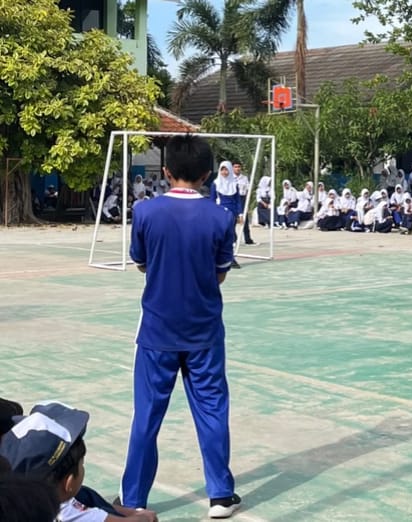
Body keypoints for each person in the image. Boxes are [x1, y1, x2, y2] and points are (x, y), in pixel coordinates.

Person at [124, 134, 241, 518]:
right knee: (212, 409)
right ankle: (220, 494)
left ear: (165, 172)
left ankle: (133, 500)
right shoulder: (221, 218)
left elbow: (142, 264)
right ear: (208, 174)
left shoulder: (145, 213)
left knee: (147, 415)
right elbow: (220, 275)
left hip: (157, 330)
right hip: (204, 331)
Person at [1, 402, 158, 522]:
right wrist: (144, 517)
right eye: (81, 464)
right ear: (68, 483)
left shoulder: (20, 499)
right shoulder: (62, 512)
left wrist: (132, 512)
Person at [233, 162, 256, 246]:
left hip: (242, 198)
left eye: (239, 167)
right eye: (235, 167)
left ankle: (248, 239)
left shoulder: (244, 178)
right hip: (233, 198)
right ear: (232, 168)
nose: (237, 168)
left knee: (244, 219)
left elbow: (248, 188)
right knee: (233, 220)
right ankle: (233, 239)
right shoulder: (230, 178)